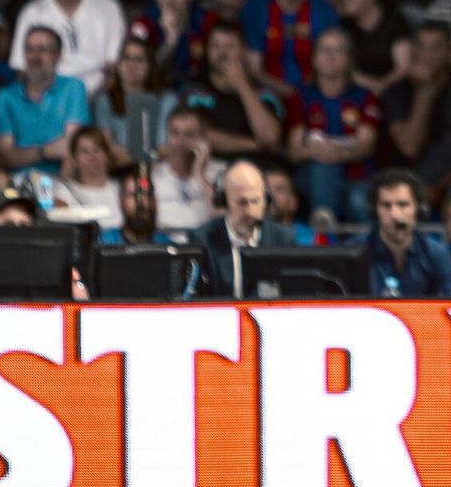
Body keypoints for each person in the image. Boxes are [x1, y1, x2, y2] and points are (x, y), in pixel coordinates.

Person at [379, 21, 451, 198]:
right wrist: (425, 91)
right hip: (405, 179)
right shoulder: (395, 92)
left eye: (436, 47)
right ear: (412, 51)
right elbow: (410, 147)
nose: (427, 55)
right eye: (421, 47)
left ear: (450, 51)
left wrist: (440, 187)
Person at [284, 28, 379, 224]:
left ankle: (355, 244)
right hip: (311, 178)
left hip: (357, 177)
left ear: (349, 58)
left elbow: (366, 146)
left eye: (338, 51)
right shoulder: (301, 97)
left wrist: (336, 152)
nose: (330, 56)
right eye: (324, 50)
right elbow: (294, 151)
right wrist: (321, 152)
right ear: (314, 58)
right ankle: (323, 226)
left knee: (357, 201)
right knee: (323, 164)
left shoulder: (364, 97)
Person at [7, 0, 128, 95]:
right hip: (49, 96)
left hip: (99, 95)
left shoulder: (108, 7)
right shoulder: (31, 12)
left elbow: (114, 66)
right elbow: (22, 68)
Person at [239, 0, 341, 94]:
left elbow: (331, 65)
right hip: (266, 93)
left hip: (315, 94)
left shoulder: (324, 12)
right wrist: (289, 92)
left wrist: (303, 96)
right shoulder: (254, 9)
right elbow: (255, 70)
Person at [0, 26, 90, 177]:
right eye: (29, 49)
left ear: (58, 56)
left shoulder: (73, 88)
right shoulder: (5, 96)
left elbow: (71, 151)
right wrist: (45, 152)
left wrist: (57, 192)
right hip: (19, 183)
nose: (34, 56)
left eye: (42, 49)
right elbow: (5, 157)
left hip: (62, 182)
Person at [180, 22, 284, 160]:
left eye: (229, 46)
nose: (221, 53)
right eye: (215, 46)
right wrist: (256, 145)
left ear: (243, 51)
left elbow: (270, 137)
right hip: (208, 165)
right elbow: (200, 136)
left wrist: (243, 86)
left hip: (257, 168)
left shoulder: (265, 94)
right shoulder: (193, 92)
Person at [193, 160, 295, 297]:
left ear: (266, 199)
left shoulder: (282, 238)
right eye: (242, 202)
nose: (250, 210)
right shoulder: (204, 239)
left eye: (255, 201)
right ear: (224, 200)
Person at [360, 167, 451, 298]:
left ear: (419, 209)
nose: (394, 214)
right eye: (386, 205)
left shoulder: (436, 254)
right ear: (374, 211)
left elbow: (446, 305)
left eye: (403, 204)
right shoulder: (355, 252)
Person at [93, 37, 178, 164]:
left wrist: (137, 156)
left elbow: (171, 148)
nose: (131, 65)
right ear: (118, 63)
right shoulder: (104, 101)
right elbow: (109, 149)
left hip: (164, 171)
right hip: (121, 173)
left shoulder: (168, 101)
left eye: (139, 59)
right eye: (125, 58)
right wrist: (150, 155)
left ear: (150, 66)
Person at [151, 106, 224, 235]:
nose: (181, 141)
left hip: (206, 245)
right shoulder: (154, 174)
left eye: (189, 135)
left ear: (203, 139)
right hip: (164, 247)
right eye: (175, 133)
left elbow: (223, 216)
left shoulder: (219, 172)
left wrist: (198, 173)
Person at [50, 127, 123, 230]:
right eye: (84, 151)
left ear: (107, 155)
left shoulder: (122, 188)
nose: (92, 157)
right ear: (74, 160)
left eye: (97, 149)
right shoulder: (63, 191)